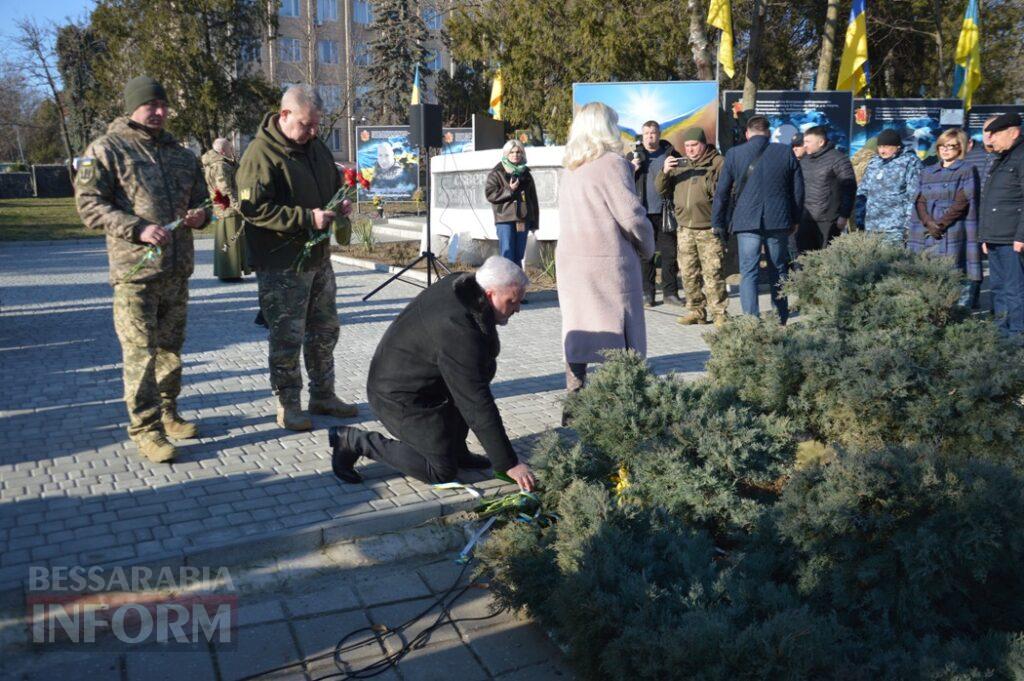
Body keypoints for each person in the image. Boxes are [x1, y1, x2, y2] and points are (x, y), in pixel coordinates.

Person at [75, 76, 209, 463]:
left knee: (170, 350)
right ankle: (145, 430)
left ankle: (168, 414)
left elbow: (202, 200)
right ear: (133, 107)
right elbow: (88, 206)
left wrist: (201, 216)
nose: (160, 112)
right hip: (135, 274)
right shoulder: (104, 150)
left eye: (164, 106)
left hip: (176, 270)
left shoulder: (182, 154)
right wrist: (137, 228)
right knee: (140, 354)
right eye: (152, 105)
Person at [328, 257, 536, 491]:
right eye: (512, 302)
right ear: (489, 295)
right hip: (398, 397)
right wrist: (508, 463)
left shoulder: (464, 284)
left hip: (424, 383)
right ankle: (354, 441)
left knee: (474, 374)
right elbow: (476, 402)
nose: (518, 308)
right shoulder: (458, 329)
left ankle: (457, 451)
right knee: (440, 471)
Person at [236, 84, 358, 431]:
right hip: (282, 263)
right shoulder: (261, 154)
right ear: (284, 115)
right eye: (306, 124)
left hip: (318, 258)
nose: (313, 131)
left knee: (324, 330)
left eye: (317, 125)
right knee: (287, 336)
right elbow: (253, 208)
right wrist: (306, 218)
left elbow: (331, 183)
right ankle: (289, 404)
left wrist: (339, 202)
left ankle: (323, 394)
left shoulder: (315, 147)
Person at [557, 102, 655, 399]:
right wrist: (647, 245)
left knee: (578, 328)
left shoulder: (570, 167)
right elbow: (631, 216)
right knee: (621, 335)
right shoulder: (613, 162)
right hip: (608, 263)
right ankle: (626, 400)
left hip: (572, 262)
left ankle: (574, 398)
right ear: (606, 127)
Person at [711, 115, 804, 324]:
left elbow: (722, 192)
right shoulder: (785, 152)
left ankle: (750, 320)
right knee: (778, 269)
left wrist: (717, 221)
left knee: (749, 271)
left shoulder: (734, 154)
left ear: (747, 133)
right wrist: (795, 219)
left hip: (746, 221)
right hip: (778, 220)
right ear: (769, 133)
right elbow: (798, 190)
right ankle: (780, 317)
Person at [655, 127, 727, 326]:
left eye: (694, 145)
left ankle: (720, 313)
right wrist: (665, 171)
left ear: (703, 144)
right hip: (685, 228)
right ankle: (696, 311)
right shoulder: (681, 164)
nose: (691, 149)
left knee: (713, 273)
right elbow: (661, 190)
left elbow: (729, 191)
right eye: (687, 146)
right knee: (688, 273)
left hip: (709, 229)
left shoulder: (717, 163)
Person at [907, 128, 980, 308]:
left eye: (951, 146)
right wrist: (928, 222)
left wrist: (940, 224)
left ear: (960, 148)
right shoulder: (927, 171)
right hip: (927, 229)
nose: (945, 150)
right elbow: (919, 199)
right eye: (942, 146)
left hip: (952, 229)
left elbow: (963, 201)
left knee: (952, 273)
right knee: (927, 274)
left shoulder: (967, 170)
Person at [626, 120, 682, 307]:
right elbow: (621, 183)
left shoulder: (671, 154)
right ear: (642, 136)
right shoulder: (633, 156)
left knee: (669, 254)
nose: (650, 136)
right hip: (641, 211)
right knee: (645, 255)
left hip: (665, 211)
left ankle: (671, 294)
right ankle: (647, 294)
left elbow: (681, 180)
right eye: (647, 133)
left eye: (653, 132)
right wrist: (630, 169)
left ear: (659, 134)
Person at [978, 113, 1024, 337]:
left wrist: (1021, 236)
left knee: (1015, 290)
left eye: (994, 135)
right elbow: (989, 200)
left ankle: (1018, 335)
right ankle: (1001, 333)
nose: (990, 140)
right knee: (998, 288)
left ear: (1013, 132)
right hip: (996, 236)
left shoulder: (1021, 156)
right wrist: (984, 236)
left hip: (1013, 238)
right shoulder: (1002, 157)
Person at [855, 128, 921, 243]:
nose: (882, 151)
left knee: (892, 259)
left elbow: (914, 195)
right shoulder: (874, 163)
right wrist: (859, 218)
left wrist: (908, 225)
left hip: (895, 227)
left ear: (897, 147)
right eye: (880, 147)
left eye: (886, 147)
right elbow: (863, 191)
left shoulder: (910, 162)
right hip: (871, 226)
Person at [797, 125, 857, 252]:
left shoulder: (839, 159)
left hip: (828, 220)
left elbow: (849, 188)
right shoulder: (804, 160)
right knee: (803, 258)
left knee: (825, 257)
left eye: (808, 141)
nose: (805, 145)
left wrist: (844, 215)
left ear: (821, 142)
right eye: (804, 141)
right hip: (806, 218)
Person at [485, 140, 539, 271]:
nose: (515, 155)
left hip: (522, 219)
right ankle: (506, 288)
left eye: (518, 152)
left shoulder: (526, 174)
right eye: (512, 152)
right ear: (506, 154)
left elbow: (533, 200)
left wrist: (534, 222)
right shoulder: (496, 173)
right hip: (505, 219)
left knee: (518, 255)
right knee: (507, 254)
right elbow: (490, 195)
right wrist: (509, 190)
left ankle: (517, 288)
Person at [202, 138, 250, 282]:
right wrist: (238, 205)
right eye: (230, 147)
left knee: (231, 239)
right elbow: (225, 189)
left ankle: (231, 271)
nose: (232, 149)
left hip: (225, 208)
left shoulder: (222, 163)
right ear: (222, 150)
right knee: (230, 240)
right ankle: (229, 272)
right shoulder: (220, 166)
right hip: (228, 208)